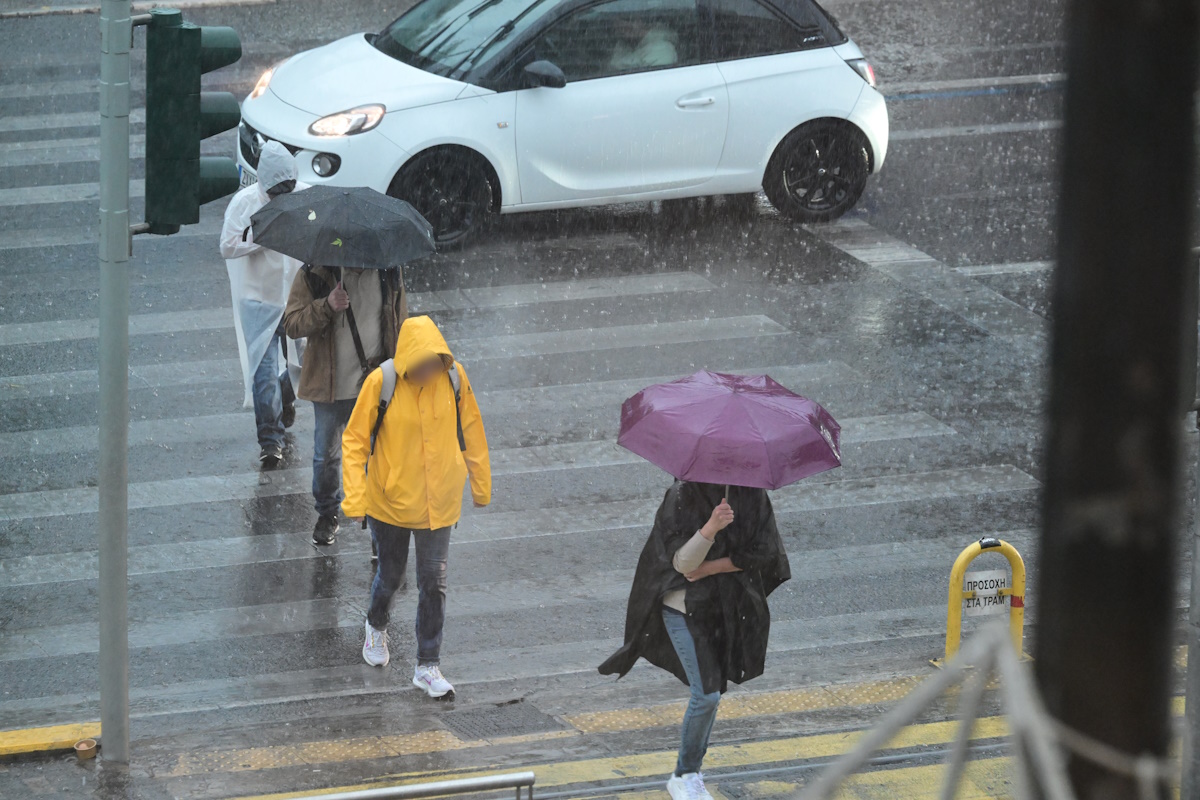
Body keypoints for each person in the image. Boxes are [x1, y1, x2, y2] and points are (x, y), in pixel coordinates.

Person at [599, 482, 790, 800]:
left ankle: (691, 771)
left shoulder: (751, 494)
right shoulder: (682, 494)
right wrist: (712, 526)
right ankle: (684, 774)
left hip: (724, 610)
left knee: (711, 691)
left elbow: (766, 553)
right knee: (707, 695)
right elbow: (683, 565)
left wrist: (714, 567)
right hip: (684, 608)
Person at [342, 315, 491, 698]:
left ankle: (428, 665)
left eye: (434, 362)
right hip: (389, 503)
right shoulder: (383, 382)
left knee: (434, 583)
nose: (429, 370)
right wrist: (355, 497)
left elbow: (471, 428)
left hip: (439, 503)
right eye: (421, 363)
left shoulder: (454, 378)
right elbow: (355, 440)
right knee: (391, 577)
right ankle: (376, 624)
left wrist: (480, 482)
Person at [283, 265, 407, 545]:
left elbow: (401, 323)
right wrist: (326, 306)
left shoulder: (388, 271)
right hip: (331, 385)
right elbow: (291, 323)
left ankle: (380, 524)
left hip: (375, 382)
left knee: (379, 457)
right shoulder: (316, 273)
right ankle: (327, 514)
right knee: (326, 455)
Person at [219, 141, 307, 469]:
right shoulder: (244, 205)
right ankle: (271, 441)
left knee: (304, 363)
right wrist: (262, 237)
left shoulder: (305, 196)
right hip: (258, 300)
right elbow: (228, 246)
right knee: (265, 372)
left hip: (296, 296)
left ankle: (285, 400)